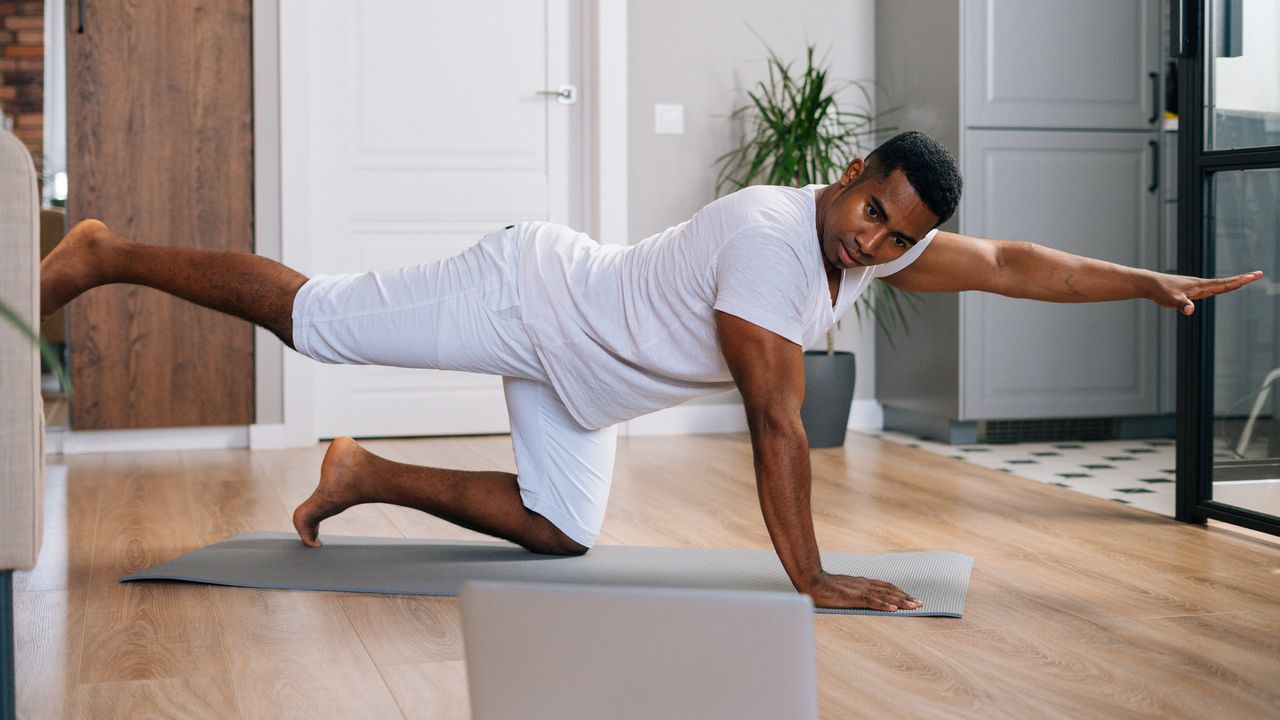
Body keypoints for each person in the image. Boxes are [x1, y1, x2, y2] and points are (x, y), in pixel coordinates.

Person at [39, 131, 1261, 612]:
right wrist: (813, 579)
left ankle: (359, 471)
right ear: (844, 171)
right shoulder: (774, 246)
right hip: (527, 299)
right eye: (869, 212)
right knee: (320, 324)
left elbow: (1008, 263)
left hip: (588, 384)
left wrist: (1141, 280)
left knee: (557, 532)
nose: (872, 243)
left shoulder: (870, 249)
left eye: (896, 235)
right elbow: (777, 431)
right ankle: (104, 254)